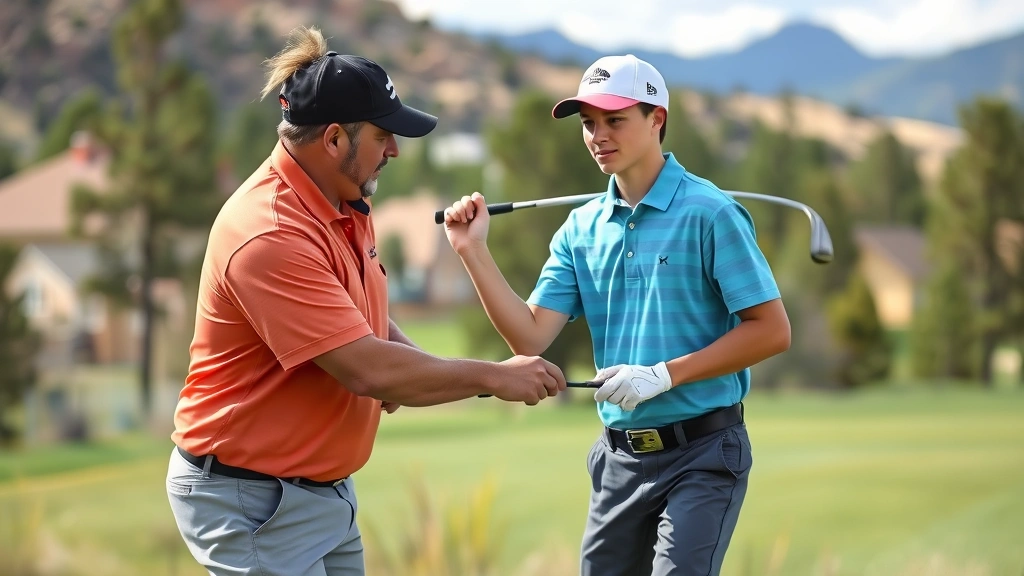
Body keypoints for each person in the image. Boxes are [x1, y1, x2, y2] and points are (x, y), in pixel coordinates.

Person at [165, 27, 566, 576]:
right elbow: (364, 367)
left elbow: (361, 316)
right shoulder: (270, 233)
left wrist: (417, 369)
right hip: (251, 500)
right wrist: (493, 377)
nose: (396, 150)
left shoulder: (342, 201)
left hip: (318, 492)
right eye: (383, 136)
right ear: (333, 140)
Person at [442, 54, 791, 575]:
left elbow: (772, 331)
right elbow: (530, 337)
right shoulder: (580, 231)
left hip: (703, 453)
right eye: (588, 123)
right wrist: (473, 251)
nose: (597, 135)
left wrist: (663, 375)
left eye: (615, 120)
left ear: (657, 120)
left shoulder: (711, 213)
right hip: (619, 461)